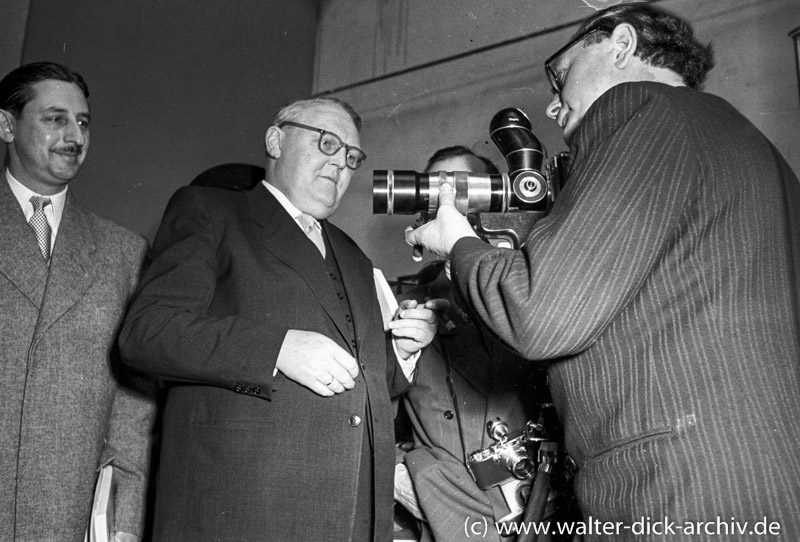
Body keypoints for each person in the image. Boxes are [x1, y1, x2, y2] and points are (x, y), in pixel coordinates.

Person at [405, 4, 800, 540]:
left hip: (672, 490)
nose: (550, 105)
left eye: (560, 75)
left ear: (620, 44)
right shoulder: (753, 146)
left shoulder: (638, 108)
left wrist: (457, 242)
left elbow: (540, 312)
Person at [118, 96, 441, 541]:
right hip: (243, 512)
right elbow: (147, 332)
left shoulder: (354, 256)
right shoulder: (210, 212)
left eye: (351, 156)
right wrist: (278, 348)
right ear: (275, 140)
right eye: (326, 143)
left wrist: (399, 354)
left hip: (348, 518)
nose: (340, 164)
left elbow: (355, 386)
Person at [0, 62, 156, 542]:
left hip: (64, 510)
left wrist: (124, 525)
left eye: (83, 122)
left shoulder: (124, 252)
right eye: (55, 119)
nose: (74, 135)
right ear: (6, 125)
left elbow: (133, 409)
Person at [394, 146, 558, 542]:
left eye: (464, 193)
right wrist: (400, 476)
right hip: (446, 516)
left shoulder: (532, 292)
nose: (449, 207)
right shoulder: (402, 306)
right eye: (436, 195)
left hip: (542, 511)